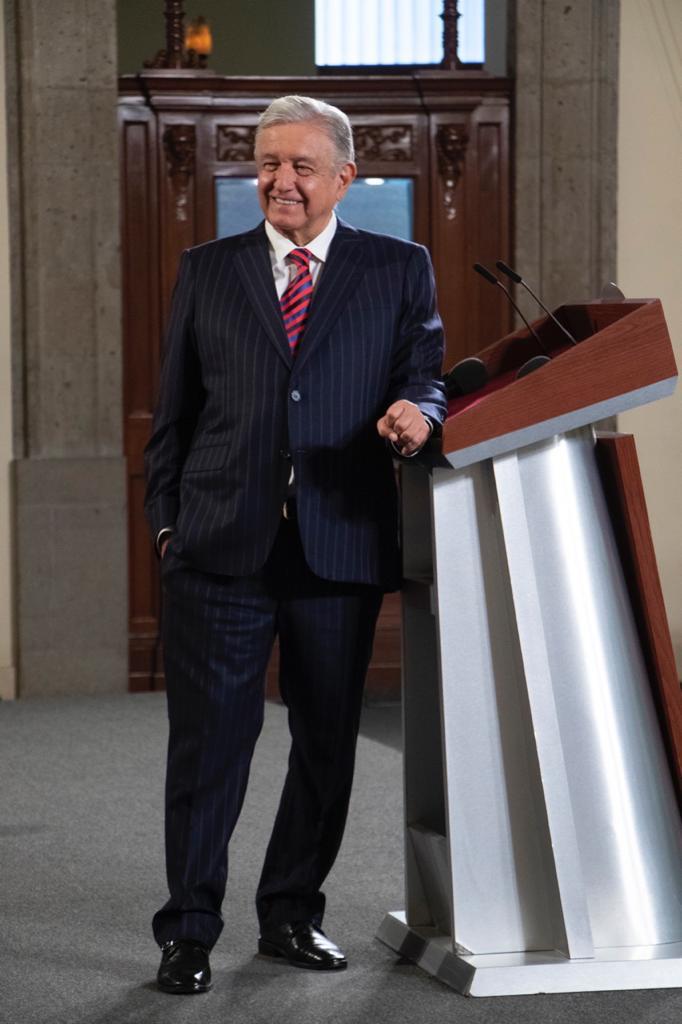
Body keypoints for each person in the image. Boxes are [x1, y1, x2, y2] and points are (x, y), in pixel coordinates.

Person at [144, 94, 447, 994]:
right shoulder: (208, 269)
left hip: (338, 546)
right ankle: (189, 929)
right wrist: (168, 527)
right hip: (218, 549)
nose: (281, 181)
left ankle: (289, 914)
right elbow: (173, 415)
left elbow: (426, 376)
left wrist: (419, 413)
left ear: (344, 177)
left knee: (324, 746)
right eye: (268, 163)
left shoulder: (398, 268)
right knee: (209, 749)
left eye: (301, 166)